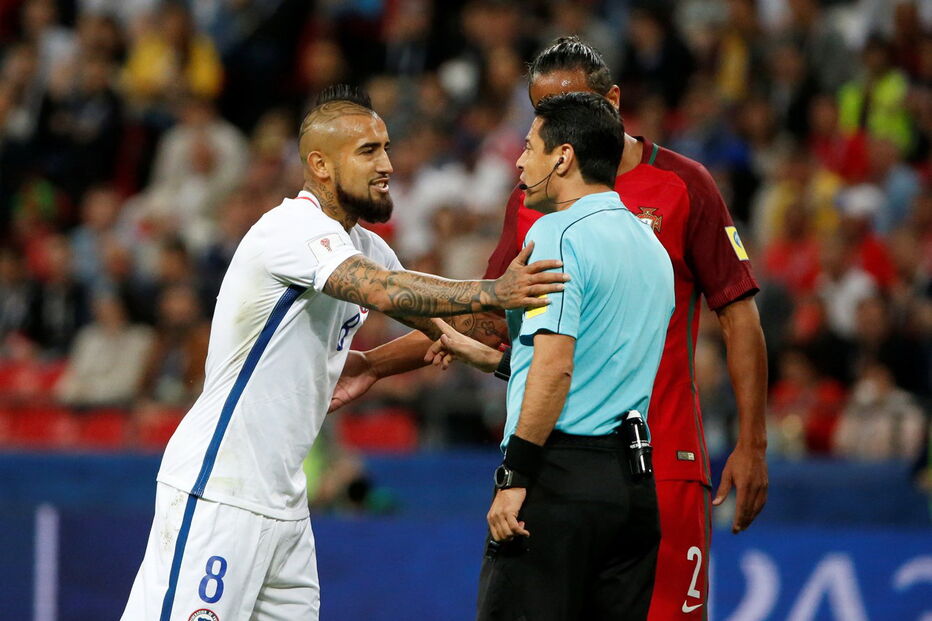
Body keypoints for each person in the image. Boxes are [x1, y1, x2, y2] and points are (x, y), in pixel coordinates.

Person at [331, 37, 769, 619]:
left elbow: (738, 314)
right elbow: (491, 318)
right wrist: (377, 364)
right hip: (583, 465)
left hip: (660, 456)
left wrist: (753, 440)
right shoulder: (540, 207)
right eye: (540, 112)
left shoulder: (683, 187)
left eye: (566, 109)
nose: (548, 129)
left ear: (611, 102)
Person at [120, 84, 568, 621]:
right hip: (220, 488)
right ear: (320, 165)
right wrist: (492, 290)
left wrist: (380, 363)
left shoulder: (365, 245)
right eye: (368, 151)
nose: (387, 164)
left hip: (284, 503)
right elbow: (381, 291)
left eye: (385, 147)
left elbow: (442, 318)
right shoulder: (291, 230)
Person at [447, 91, 674, 619]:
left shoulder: (556, 233)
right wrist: (495, 362)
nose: (520, 162)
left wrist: (515, 477)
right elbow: (601, 365)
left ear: (564, 157)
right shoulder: (652, 248)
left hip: (556, 480)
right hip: (633, 490)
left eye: (529, 148)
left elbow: (557, 367)